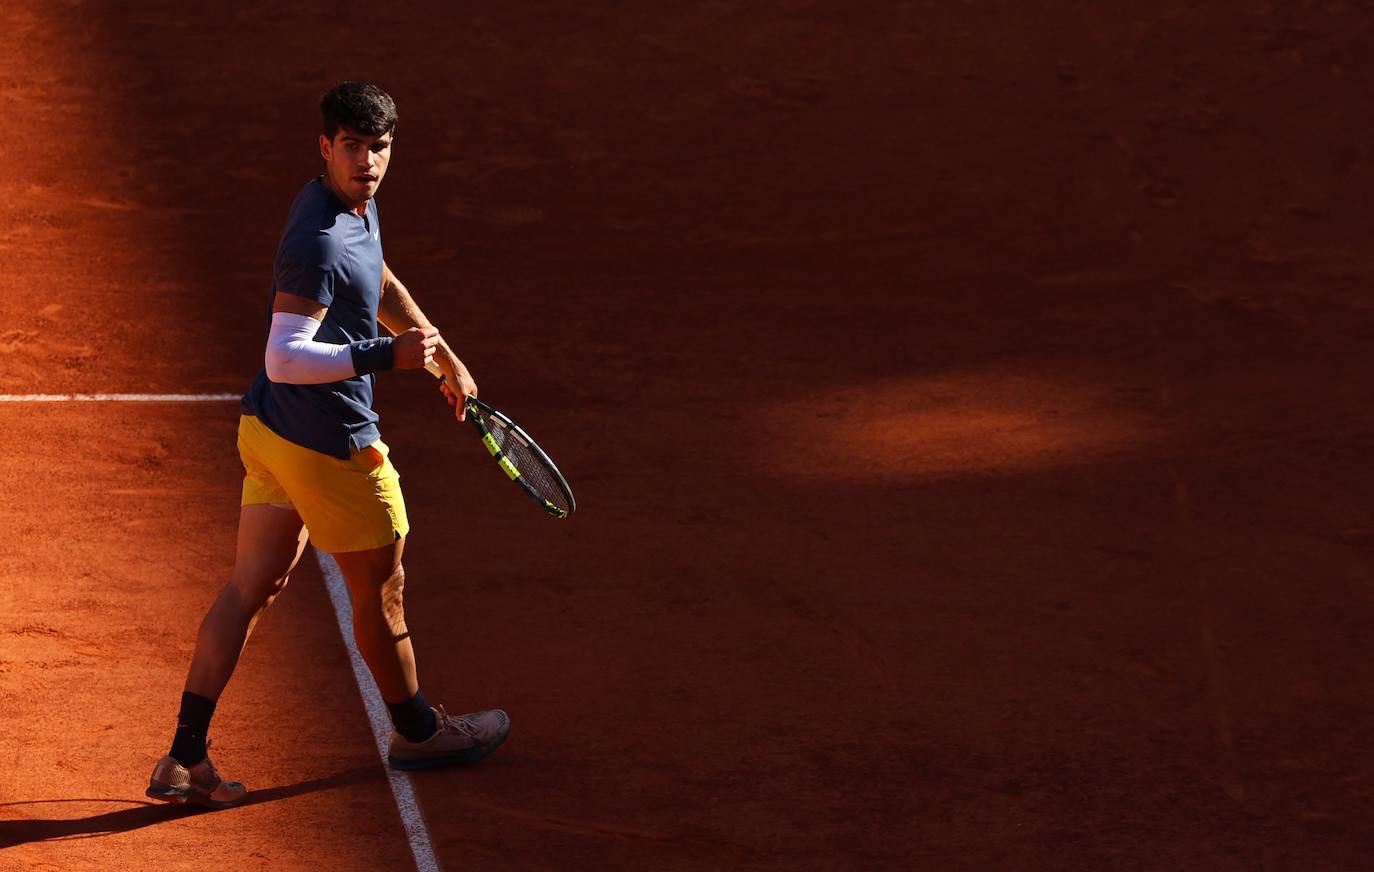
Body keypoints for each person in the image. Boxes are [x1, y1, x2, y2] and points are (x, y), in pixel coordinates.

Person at [146, 81, 509, 809]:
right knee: (383, 591)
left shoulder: (344, 208)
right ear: (325, 147)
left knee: (253, 585)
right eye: (351, 146)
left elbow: (374, 274)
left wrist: (444, 356)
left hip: (271, 434)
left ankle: (183, 760)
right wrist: (386, 356)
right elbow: (286, 353)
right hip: (330, 446)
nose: (366, 161)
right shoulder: (317, 239)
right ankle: (416, 731)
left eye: (378, 147)